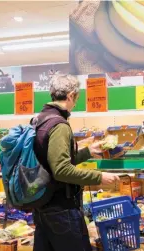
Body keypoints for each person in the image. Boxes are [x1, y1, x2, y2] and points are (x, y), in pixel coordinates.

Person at [32, 74, 119, 251]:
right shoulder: (59, 125)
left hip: (42, 207)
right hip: (61, 210)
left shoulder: (39, 120)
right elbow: (61, 170)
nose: (75, 104)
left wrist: (87, 152)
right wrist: (99, 177)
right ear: (71, 95)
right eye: (76, 99)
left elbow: (50, 161)